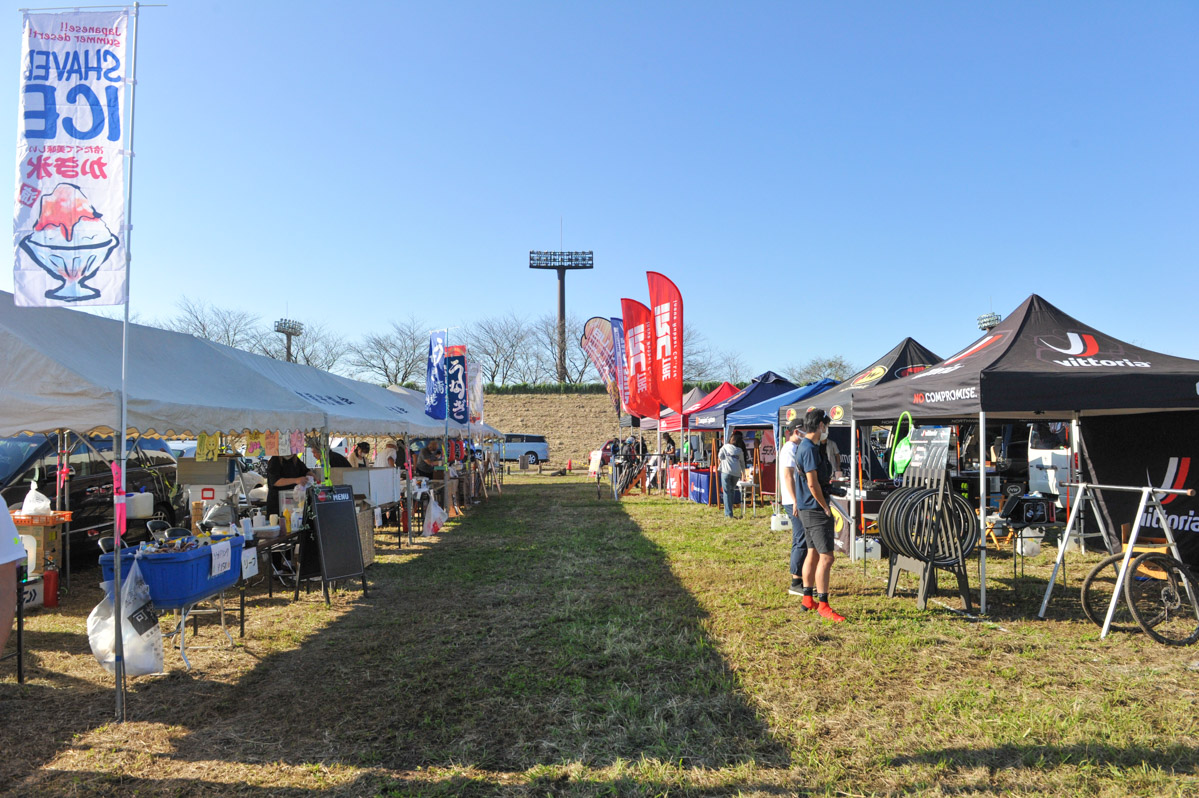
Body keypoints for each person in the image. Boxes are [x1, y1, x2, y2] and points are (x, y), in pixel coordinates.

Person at [796, 409, 845, 622]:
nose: (827, 429)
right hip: (815, 510)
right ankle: (823, 604)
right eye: (826, 425)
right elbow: (812, 483)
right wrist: (825, 506)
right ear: (820, 426)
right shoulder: (808, 449)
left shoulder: (808, 447)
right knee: (827, 557)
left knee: (813, 552)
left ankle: (808, 599)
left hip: (807, 509)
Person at [779, 420, 808, 596]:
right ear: (796, 431)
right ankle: (795, 580)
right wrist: (796, 500)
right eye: (804, 430)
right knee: (801, 539)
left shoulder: (794, 448)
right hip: (793, 500)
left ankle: (800, 577)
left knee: (801, 538)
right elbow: (788, 476)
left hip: (795, 499)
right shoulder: (789, 448)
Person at [266, 452, 315, 518]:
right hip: (277, 504)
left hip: (292, 503)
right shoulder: (275, 460)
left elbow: (306, 471)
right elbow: (275, 481)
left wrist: (314, 477)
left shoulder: (295, 460)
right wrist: (296, 480)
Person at [718, 431, 747, 518]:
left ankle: (728, 514)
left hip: (726, 472)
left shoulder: (725, 447)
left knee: (726, 493)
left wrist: (725, 460)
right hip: (736, 473)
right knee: (731, 492)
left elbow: (720, 456)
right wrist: (743, 473)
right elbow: (742, 462)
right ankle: (729, 511)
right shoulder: (739, 450)